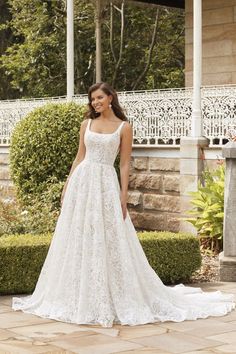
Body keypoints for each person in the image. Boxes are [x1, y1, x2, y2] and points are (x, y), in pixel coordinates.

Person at [12, 82, 235, 328]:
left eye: (99, 97)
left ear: (110, 98)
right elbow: (80, 157)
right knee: (78, 235)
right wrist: (67, 185)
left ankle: (110, 292)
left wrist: (123, 195)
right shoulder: (86, 124)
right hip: (82, 183)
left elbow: (125, 164)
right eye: (92, 99)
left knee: (110, 236)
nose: (95, 102)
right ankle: (77, 293)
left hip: (106, 183)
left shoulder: (123, 127)